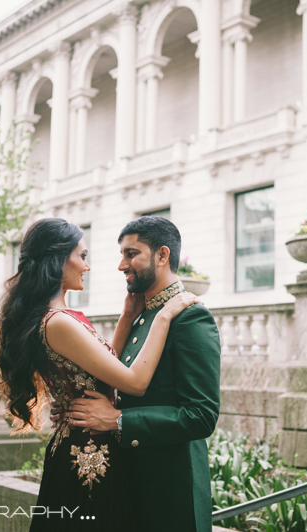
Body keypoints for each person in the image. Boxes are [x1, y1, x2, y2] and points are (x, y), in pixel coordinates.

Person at [0, 217, 199, 532]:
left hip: (83, 443)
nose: (87, 266)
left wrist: (127, 317)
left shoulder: (57, 318)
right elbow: (134, 382)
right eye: (82, 256)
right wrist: (165, 315)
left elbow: (102, 368)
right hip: (88, 454)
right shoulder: (58, 321)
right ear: (58, 260)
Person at [65, 216, 221, 532]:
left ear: (162, 256)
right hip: (133, 483)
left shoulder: (190, 319)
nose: (122, 265)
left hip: (170, 493)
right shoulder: (142, 315)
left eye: (131, 254)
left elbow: (202, 416)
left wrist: (117, 420)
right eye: (122, 255)